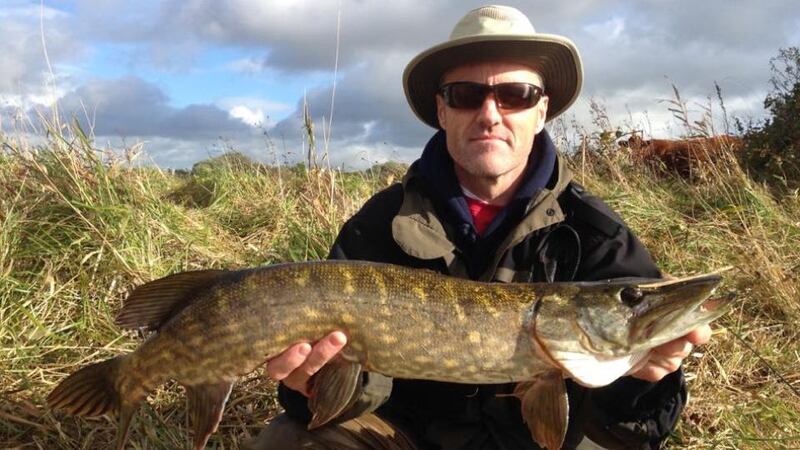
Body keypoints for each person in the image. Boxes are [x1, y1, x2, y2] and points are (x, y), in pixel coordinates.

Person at [247, 5, 711, 450]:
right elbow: (333, 398)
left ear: (541, 110)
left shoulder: (596, 235)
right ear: (443, 110)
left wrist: (644, 381)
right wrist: (309, 383)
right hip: (411, 440)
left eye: (515, 95)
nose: (490, 114)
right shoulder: (379, 225)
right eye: (467, 95)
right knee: (288, 441)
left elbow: (635, 433)